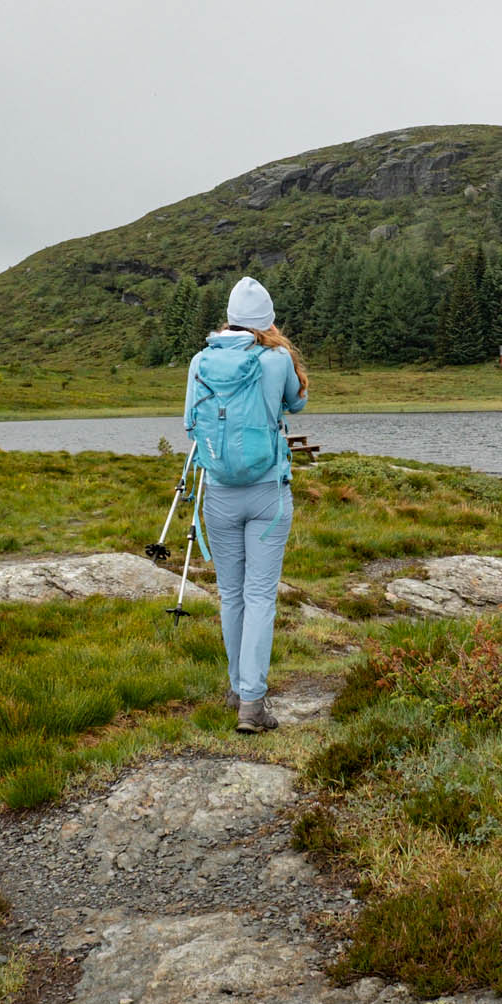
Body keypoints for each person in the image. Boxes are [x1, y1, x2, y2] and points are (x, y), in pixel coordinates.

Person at [183, 277, 309, 733]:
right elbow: (299, 403)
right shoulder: (277, 359)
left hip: (217, 492)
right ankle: (252, 706)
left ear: (230, 316)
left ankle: (238, 687)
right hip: (267, 493)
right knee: (259, 596)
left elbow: (188, 423)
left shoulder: (201, 359)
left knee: (231, 595)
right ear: (267, 320)